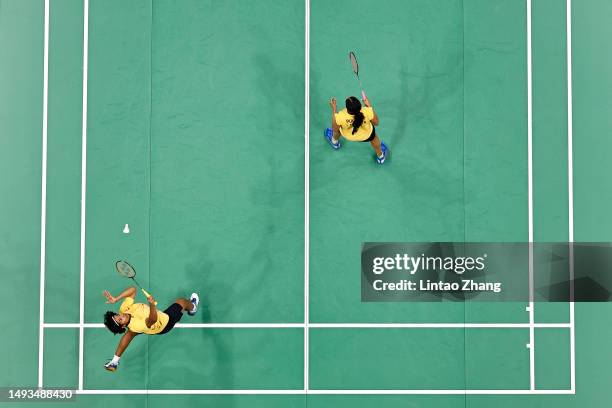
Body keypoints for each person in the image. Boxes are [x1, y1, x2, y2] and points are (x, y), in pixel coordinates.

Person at [102, 286, 199, 371]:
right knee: (182, 301)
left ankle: (114, 362)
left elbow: (133, 290)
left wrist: (116, 299)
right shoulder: (137, 325)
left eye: (118, 315)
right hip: (164, 323)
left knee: (130, 334)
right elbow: (153, 319)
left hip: (150, 321)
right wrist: (152, 304)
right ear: (123, 325)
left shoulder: (124, 309)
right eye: (120, 319)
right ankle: (193, 308)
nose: (121, 315)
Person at [325, 95, 388, 164]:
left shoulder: (340, 116)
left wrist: (334, 109)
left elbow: (335, 129)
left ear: (347, 109)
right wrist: (369, 106)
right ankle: (380, 157)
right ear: (360, 105)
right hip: (367, 135)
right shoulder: (366, 111)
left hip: (348, 135)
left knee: (338, 129)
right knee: (373, 138)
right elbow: (376, 123)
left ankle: (334, 142)